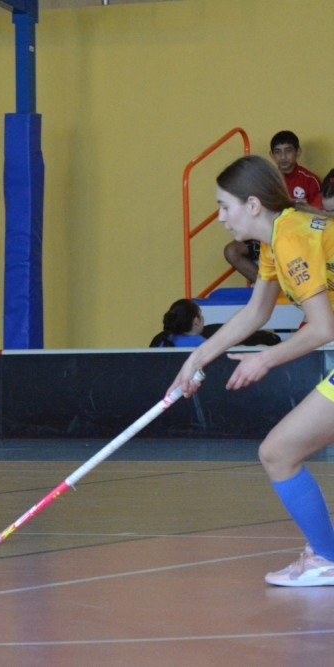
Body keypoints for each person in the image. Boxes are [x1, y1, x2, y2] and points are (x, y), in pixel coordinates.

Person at [170, 154, 334, 586]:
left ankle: (327, 558)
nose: (221, 217)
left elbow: (322, 328)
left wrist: (265, 358)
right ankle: (327, 555)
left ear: (254, 204)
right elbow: (256, 312)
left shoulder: (291, 237)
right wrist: (196, 359)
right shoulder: (278, 239)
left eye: (225, 206)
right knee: (279, 452)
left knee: (278, 452)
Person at [224, 131, 322, 282]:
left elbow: (318, 214)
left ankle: (288, 287)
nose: (283, 157)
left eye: (288, 151)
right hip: (266, 234)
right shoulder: (264, 180)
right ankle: (270, 287)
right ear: (271, 155)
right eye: (278, 152)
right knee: (232, 251)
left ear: (298, 152)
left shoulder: (310, 180)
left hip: (296, 235)